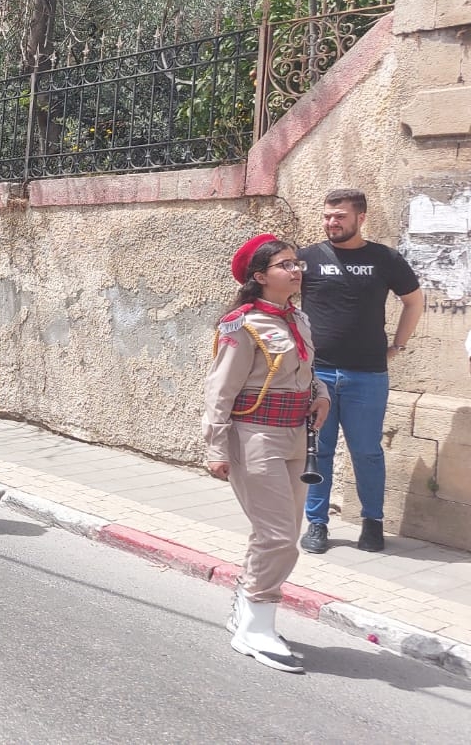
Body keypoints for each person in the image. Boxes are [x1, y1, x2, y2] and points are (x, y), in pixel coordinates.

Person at [204, 234, 331, 673]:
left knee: (281, 533)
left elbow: (307, 370)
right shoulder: (242, 325)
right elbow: (220, 392)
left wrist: (322, 394)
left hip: (297, 435)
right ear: (260, 277)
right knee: (277, 536)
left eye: (297, 263)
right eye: (285, 265)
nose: (296, 270)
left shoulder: (298, 318)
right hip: (255, 436)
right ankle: (255, 626)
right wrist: (216, 446)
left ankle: (247, 607)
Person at [297, 189, 424, 554]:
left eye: (339, 216)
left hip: (368, 375)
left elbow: (414, 301)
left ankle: (373, 523)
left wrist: (397, 346)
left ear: (360, 218)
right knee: (317, 450)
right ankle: (317, 524)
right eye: (327, 216)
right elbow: (279, 298)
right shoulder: (308, 259)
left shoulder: (385, 259)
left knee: (367, 451)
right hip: (317, 375)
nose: (331, 222)